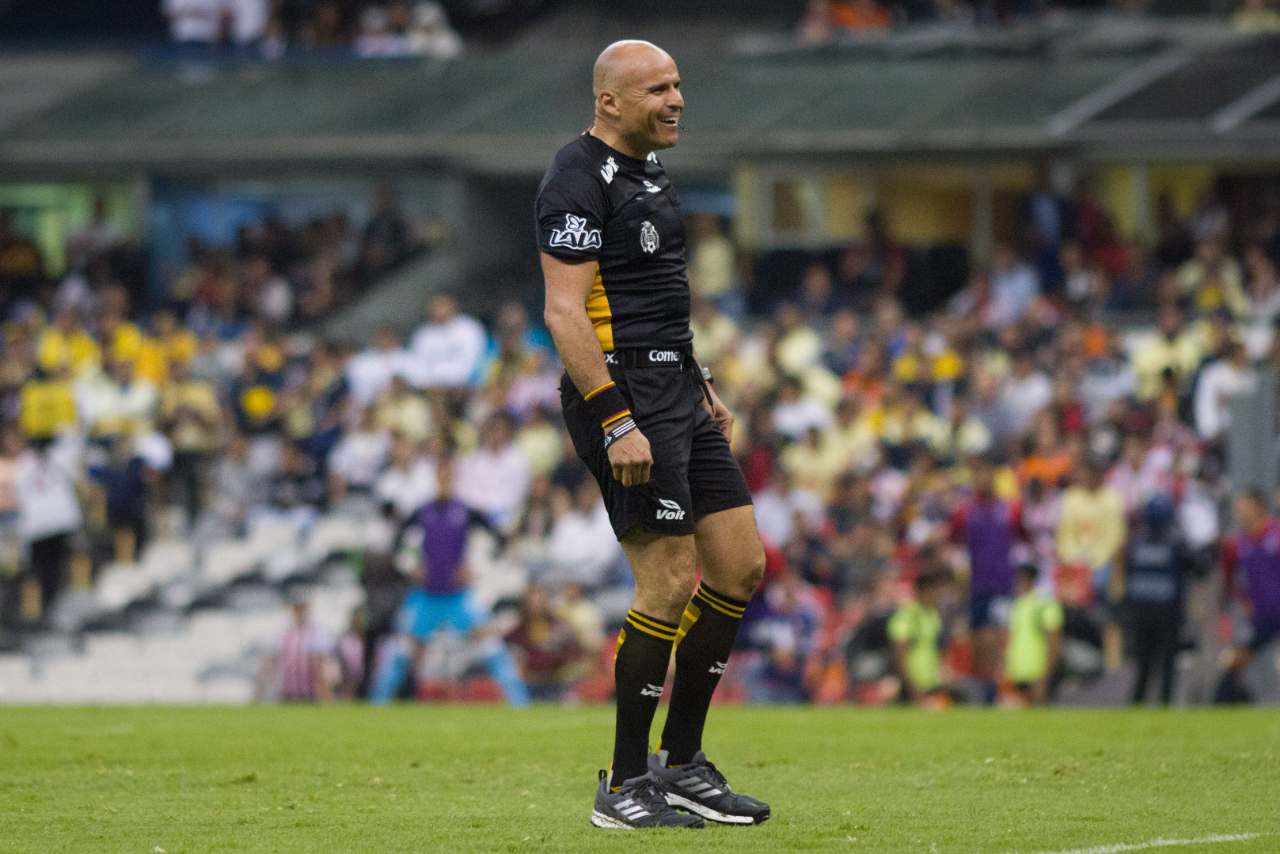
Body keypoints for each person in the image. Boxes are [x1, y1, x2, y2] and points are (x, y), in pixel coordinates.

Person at [536, 40, 768, 829]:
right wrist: (615, 417)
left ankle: (684, 764)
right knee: (668, 579)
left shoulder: (650, 175)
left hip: (675, 384)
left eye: (678, 85)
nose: (675, 101)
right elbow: (565, 312)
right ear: (610, 102)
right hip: (624, 391)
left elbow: (654, 296)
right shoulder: (576, 176)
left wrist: (698, 378)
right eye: (658, 89)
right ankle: (625, 785)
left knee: (738, 567)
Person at [367, 457, 529, 707]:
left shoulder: (466, 510)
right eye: (441, 475)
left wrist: (478, 568)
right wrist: (411, 568)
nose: (444, 480)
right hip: (426, 596)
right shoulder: (423, 511)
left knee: (491, 646)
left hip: (458, 597)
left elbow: (499, 538)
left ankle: (521, 705)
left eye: (449, 475)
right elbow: (397, 545)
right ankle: (375, 707)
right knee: (400, 651)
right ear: (436, 478)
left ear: (454, 479)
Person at [1123, 496, 1193, 706]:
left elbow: (1128, 574)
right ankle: (1165, 702)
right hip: (1167, 612)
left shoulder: (1136, 541)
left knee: (1143, 662)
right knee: (1167, 662)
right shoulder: (1175, 542)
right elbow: (1196, 565)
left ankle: (1138, 701)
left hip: (1141, 611)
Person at [1004, 565, 1063, 706]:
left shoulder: (1044, 603)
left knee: (1039, 708)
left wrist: (1049, 668)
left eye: (1021, 579)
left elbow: (1054, 636)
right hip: (1017, 668)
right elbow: (1012, 637)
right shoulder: (1018, 605)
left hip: (1037, 667)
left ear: (1030, 580)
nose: (1018, 583)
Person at [888, 570, 949, 706]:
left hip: (931, 684)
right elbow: (899, 652)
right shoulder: (908, 615)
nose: (938, 596)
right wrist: (911, 686)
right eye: (935, 591)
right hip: (911, 685)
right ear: (924, 590)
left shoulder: (933, 616)